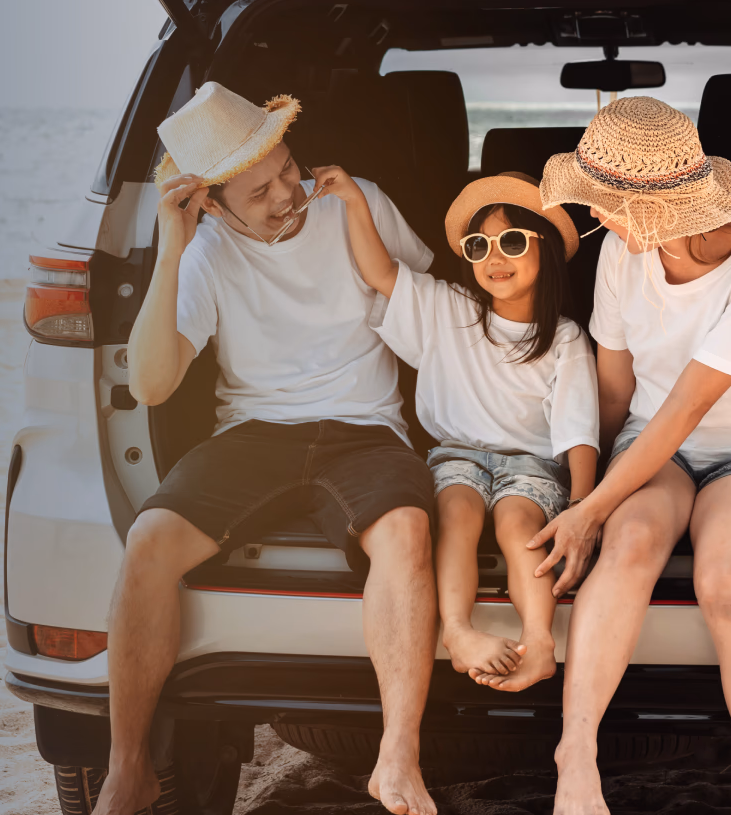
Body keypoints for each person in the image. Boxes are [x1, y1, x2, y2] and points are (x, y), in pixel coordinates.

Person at [99, 81, 440, 815]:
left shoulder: (358, 199)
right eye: (261, 190)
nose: (289, 192)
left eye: (289, 167)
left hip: (365, 428)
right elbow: (153, 385)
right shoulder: (205, 250)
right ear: (211, 202)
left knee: (408, 533)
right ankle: (128, 766)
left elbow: (426, 297)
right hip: (255, 434)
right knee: (148, 540)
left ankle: (397, 757)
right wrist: (169, 253)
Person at [531, 96, 731, 815]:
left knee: (724, 581)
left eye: (609, 206)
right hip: (655, 447)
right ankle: (577, 756)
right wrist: (582, 495)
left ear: (661, 211)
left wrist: (589, 510)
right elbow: (615, 390)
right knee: (629, 543)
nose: (598, 220)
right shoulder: (621, 255)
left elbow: (690, 404)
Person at [357, 173, 599, 693]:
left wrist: (582, 507)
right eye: (478, 245)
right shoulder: (449, 309)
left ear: (547, 251)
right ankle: (458, 631)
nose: (494, 256)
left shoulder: (564, 338)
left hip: (532, 464)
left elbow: (579, 428)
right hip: (457, 455)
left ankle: (539, 644)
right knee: (456, 512)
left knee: (517, 525)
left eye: (512, 241)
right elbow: (379, 271)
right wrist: (355, 198)